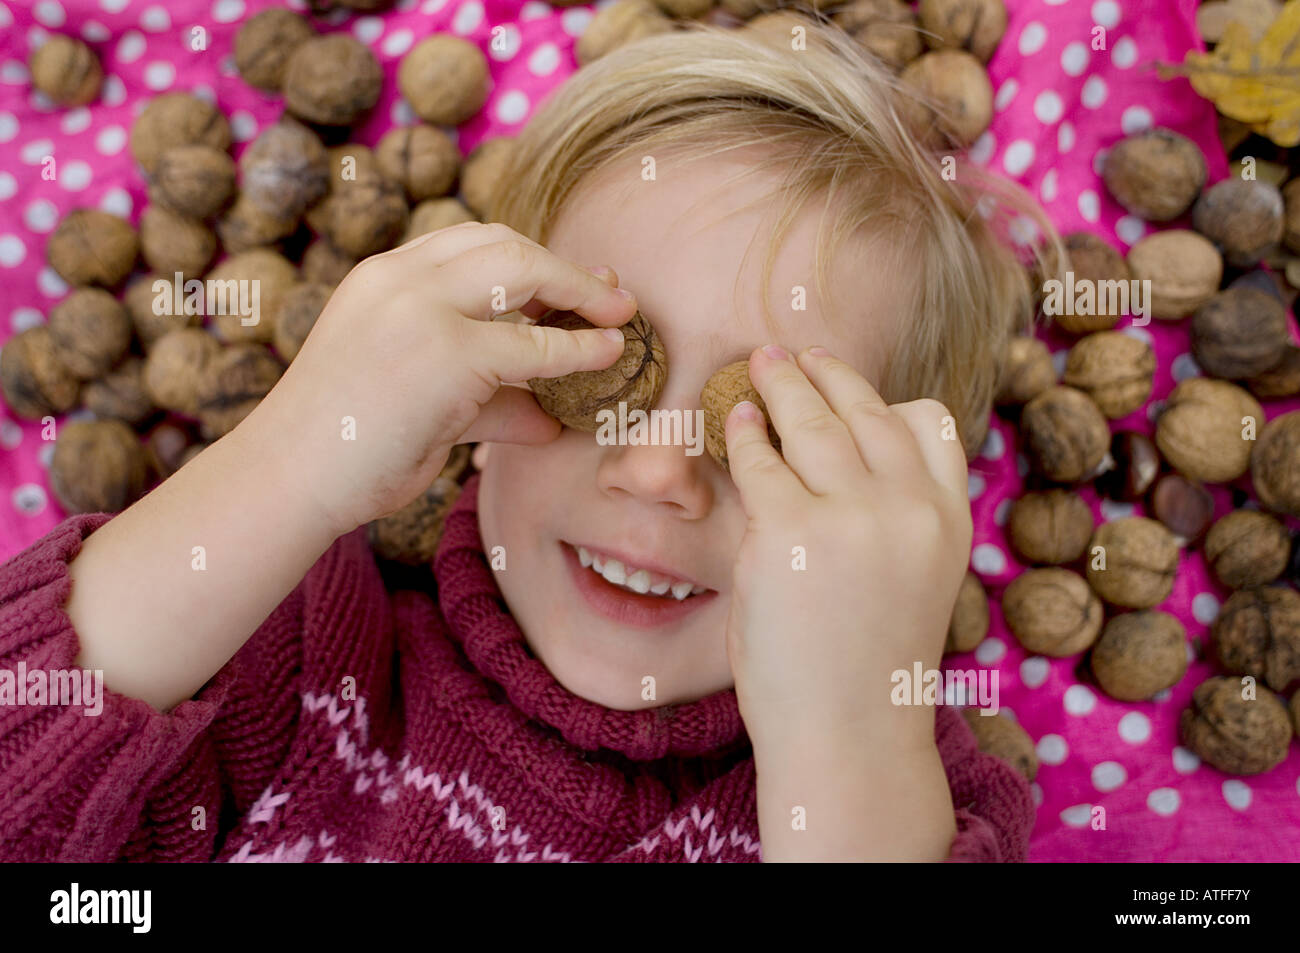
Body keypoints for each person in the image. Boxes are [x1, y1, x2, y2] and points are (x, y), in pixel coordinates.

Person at [0, 21, 1050, 862]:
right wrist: (292, 461)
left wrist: (851, 733)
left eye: (773, 433)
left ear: (904, 518)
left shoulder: (908, 796)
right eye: (594, 363)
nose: (655, 472)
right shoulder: (292, 637)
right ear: (475, 370)